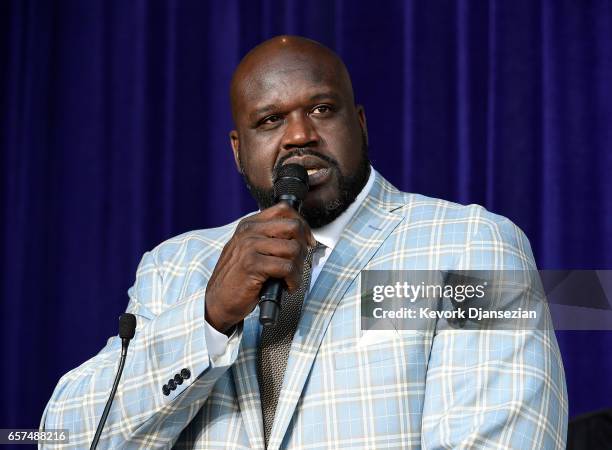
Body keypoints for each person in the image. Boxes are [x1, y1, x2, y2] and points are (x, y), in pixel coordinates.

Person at [41, 35, 568, 449]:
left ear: (359, 124)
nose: (299, 136)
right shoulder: (175, 266)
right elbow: (64, 437)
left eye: (321, 110)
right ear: (238, 150)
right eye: (270, 120)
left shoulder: (467, 245)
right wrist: (207, 317)